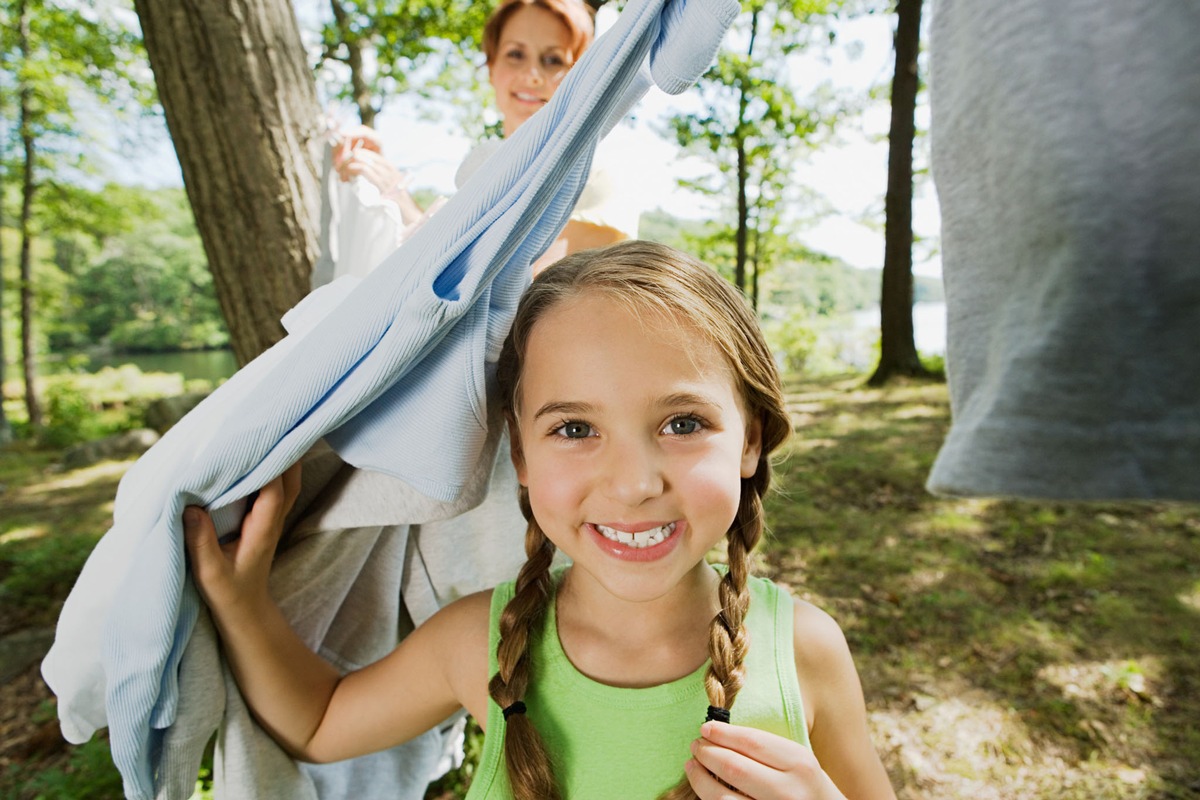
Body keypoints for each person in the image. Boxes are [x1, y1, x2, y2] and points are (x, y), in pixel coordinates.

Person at [182, 241, 896, 799]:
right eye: (576, 430)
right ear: (517, 452)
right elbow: (319, 722)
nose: (634, 483)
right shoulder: (482, 645)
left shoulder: (802, 651)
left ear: (750, 438)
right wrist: (243, 606)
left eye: (683, 422)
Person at [332, 0, 634, 274]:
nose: (532, 74)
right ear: (492, 67)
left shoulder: (593, 175)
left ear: (579, 75)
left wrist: (397, 196)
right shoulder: (485, 168)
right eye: (515, 54)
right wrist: (378, 180)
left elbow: (516, 299)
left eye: (553, 60)